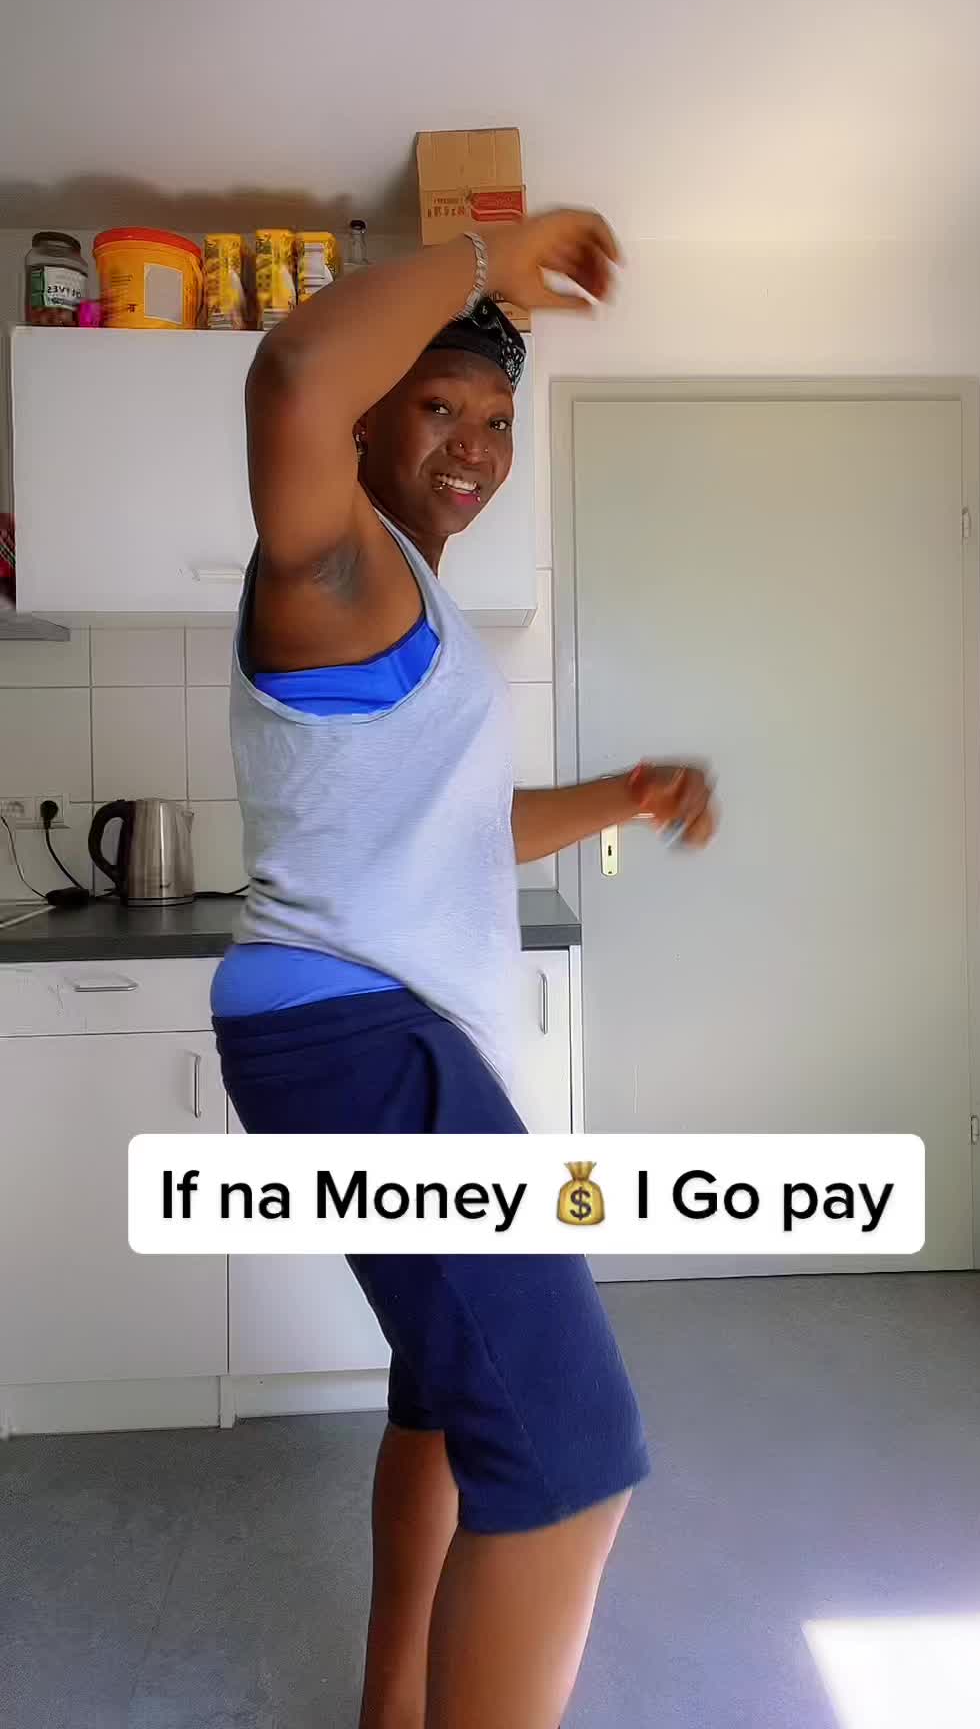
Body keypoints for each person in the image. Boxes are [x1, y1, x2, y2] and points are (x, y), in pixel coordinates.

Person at [211, 211, 716, 1729]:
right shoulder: (332, 570)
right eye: (439, 406)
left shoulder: (412, 607)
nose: (476, 446)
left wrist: (619, 797)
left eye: (496, 419)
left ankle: (393, 1708)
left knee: (441, 1408)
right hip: (359, 1034)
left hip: (375, 1031)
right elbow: (292, 377)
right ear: (371, 423)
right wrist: (489, 255)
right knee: (570, 1458)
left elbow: (458, 830)